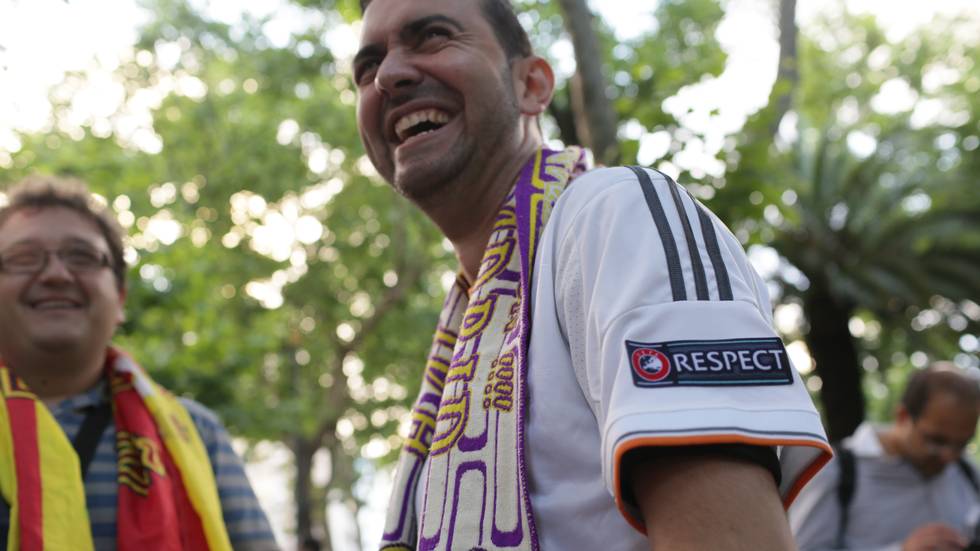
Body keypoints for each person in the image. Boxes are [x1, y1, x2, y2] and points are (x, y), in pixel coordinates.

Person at [353, 0, 832, 549]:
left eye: (433, 36)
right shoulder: (466, 328)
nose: (388, 75)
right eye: (367, 68)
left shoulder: (618, 217)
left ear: (531, 85)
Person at [0, 176, 279, 550]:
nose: (55, 275)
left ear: (120, 297)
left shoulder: (197, 434)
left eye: (81, 257)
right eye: (23, 258)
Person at [790, 364, 980, 551]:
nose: (949, 457)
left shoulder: (967, 472)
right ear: (903, 416)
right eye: (937, 441)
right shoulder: (836, 472)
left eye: (961, 444)